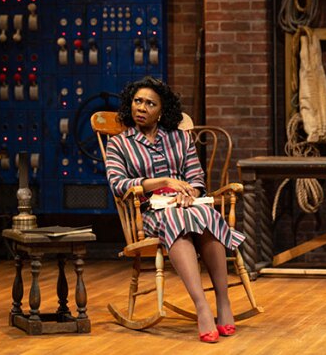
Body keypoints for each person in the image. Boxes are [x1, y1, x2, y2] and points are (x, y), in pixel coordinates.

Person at [105, 77, 245, 343]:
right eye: (137, 101)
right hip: (149, 211)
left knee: (206, 214)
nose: (141, 108)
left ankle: (223, 302)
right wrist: (164, 182)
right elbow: (118, 184)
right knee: (176, 218)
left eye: (149, 103)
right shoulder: (119, 144)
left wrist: (190, 192)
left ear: (161, 110)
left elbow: (196, 177)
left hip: (186, 205)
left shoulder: (179, 139)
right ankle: (202, 307)